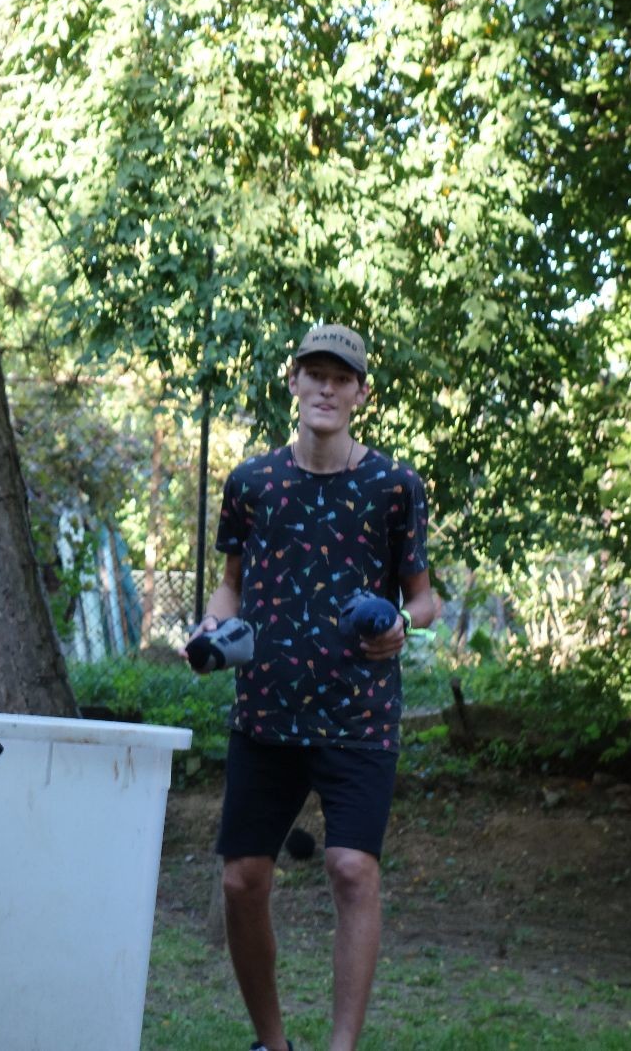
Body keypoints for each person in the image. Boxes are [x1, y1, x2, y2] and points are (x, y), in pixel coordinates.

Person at [191, 323, 436, 1051]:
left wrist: (400, 623)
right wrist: (211, 626)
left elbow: (425, 599)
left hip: (359, 714)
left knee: (352, 869)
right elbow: (230, 585)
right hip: (266, 712)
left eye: (341, 378)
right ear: (293, 382)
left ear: (361, 393)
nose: (326, 388)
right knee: (241, 881)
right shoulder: (252, 483)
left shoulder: (395, 486)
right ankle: (272, 1044)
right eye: (314, 374)